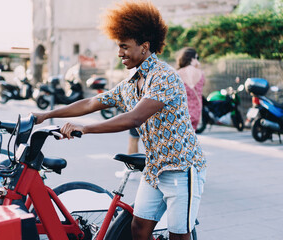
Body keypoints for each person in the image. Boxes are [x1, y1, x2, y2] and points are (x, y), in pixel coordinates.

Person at [33, 1, 206, 239]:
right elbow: (91, 103)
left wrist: (85, 128)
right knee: (137, 229)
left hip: (180, 168)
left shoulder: (164, 76)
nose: (119, 53)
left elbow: (134, 118)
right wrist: (47, 115)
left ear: (145, 47)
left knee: (178, 235)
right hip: (155, 168)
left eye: (124, 46)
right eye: (118, 46)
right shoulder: (131, 83)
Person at [176, 47, 205, 130]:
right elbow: (203, 84)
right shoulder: (201, 73)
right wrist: (197, 68)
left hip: (182, 111)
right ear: (193, 59)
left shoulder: (178, 73)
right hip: (197, 112)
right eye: (197, 58)